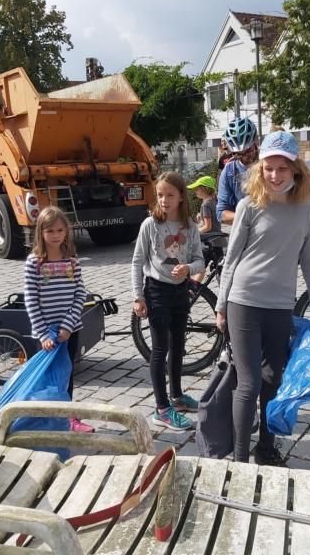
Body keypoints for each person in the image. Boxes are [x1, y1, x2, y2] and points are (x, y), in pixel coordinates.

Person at [215, 130, 310, 466]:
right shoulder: (249, 206)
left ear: (296, 169)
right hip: (243, 302)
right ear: (260, 170)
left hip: (280, 306)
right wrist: (221, 304)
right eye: (269, 169)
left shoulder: (308, 210)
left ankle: (266, 449)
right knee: (248, 384)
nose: (275, 176)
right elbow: (232, 259)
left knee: (273, 382)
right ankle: (238, 460)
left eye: (282, 168)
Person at [132, 171, 205, 431]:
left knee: (178, 346)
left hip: (180, 292)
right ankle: (162, 408)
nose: (164, 200)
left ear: (181, 196)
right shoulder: (150, 225)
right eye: (160, 195)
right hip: (157, 292)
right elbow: (137, 261)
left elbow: (200, 260)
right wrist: (138, 296)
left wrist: (188, 268)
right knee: (160, 349)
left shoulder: (190, 226)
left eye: (169, 195)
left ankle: (177, 396)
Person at [24, 206, 94, 433]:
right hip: (45, 333)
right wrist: (43, 333)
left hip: (68, 330)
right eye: (50, 231)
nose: (56, 235)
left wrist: (67, 326)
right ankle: (46, 416)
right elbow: (31, 300)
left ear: (66, 232)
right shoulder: (34, 263)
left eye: (60, 230)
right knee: (47, 376)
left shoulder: (72, 261)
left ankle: (68, 417)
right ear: (41, 233)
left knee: (67, 374)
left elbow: (79, 294)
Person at [216, 117, 259, 224]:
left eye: (248, 151)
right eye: (238, 154)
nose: (244, 157)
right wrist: (247, 218)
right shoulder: (229, 171)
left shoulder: (269, 163)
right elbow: (221, 214)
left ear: (256, 143)